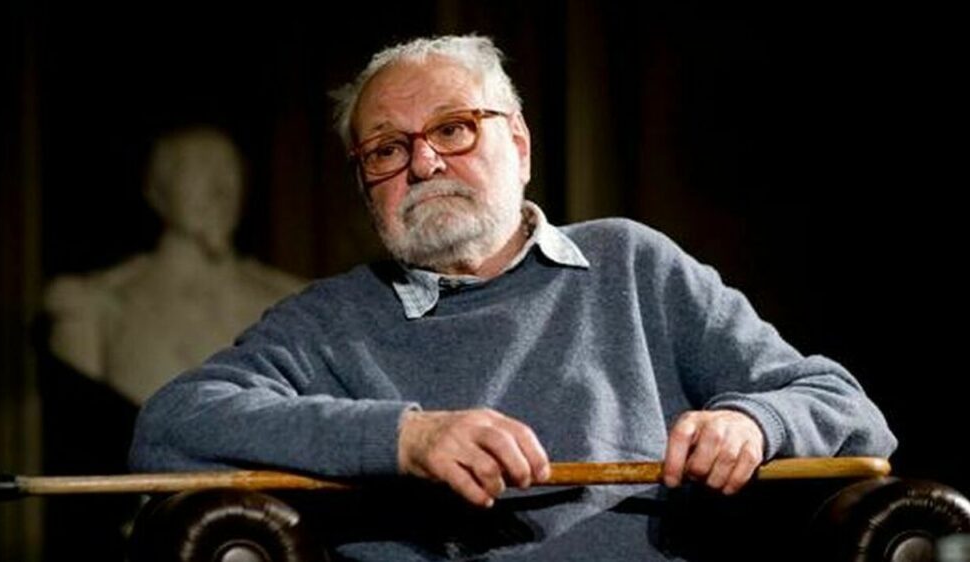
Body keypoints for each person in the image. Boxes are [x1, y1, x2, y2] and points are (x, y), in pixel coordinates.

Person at [129, 36, 896, 560]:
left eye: (453, 129)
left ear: (520, 146)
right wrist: (405, 438)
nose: (424, 163)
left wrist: (754, 423)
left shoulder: (632, 263)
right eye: (387, 149)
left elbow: (845, 407)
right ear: (365, 188)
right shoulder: (328, 321)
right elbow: (170, 426)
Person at [45, 127, 307, 405]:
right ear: (158, 191)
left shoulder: (292, 300)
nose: (220, 189)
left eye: (229, 170)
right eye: (198, 168)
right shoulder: (97, 305)